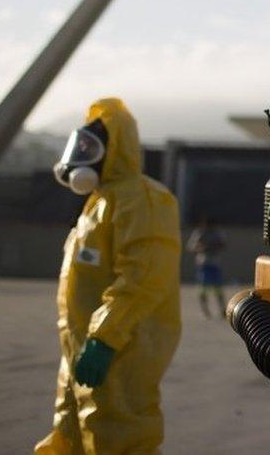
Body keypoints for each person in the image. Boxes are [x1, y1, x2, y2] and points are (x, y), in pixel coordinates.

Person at [35, 98, 182, 454]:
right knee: (71, 432)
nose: (81, 156)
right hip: (83, 346)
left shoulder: (142, 200)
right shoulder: (100, 202)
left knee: (118, 435)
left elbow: (143, 278)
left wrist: (105, 338)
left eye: (90, 148)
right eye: (79, 147)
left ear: (114, 149)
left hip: (122, 348)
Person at [186, 216, 227, 318]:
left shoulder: (217, 232)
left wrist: (214, 245)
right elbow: (191, 246)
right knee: (203, 289)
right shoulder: (199, 233)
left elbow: (223, 244)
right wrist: (201, 247)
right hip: (204, 264)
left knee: (218, 289)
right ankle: (205, 310)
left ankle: (222, 309)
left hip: (214, 264)